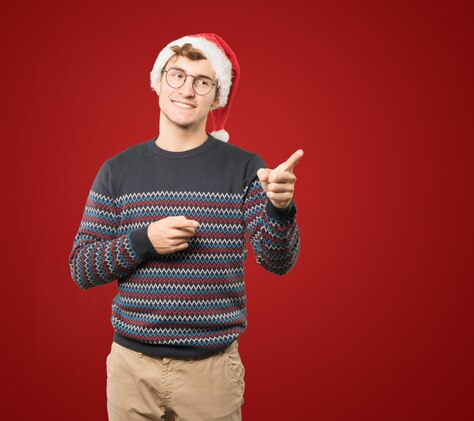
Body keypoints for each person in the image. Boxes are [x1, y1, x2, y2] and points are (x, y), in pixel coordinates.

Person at [68, 33, 302, 421]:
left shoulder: (245, 167)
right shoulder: (117, 170)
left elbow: (277, 261)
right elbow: (81, 268)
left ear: (217, 96)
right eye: (177, 76)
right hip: (131, 369)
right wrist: (145, 240)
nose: (188, 91)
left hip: (211, 373)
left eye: (203, 82)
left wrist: (280, 208)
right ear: (158, 82)